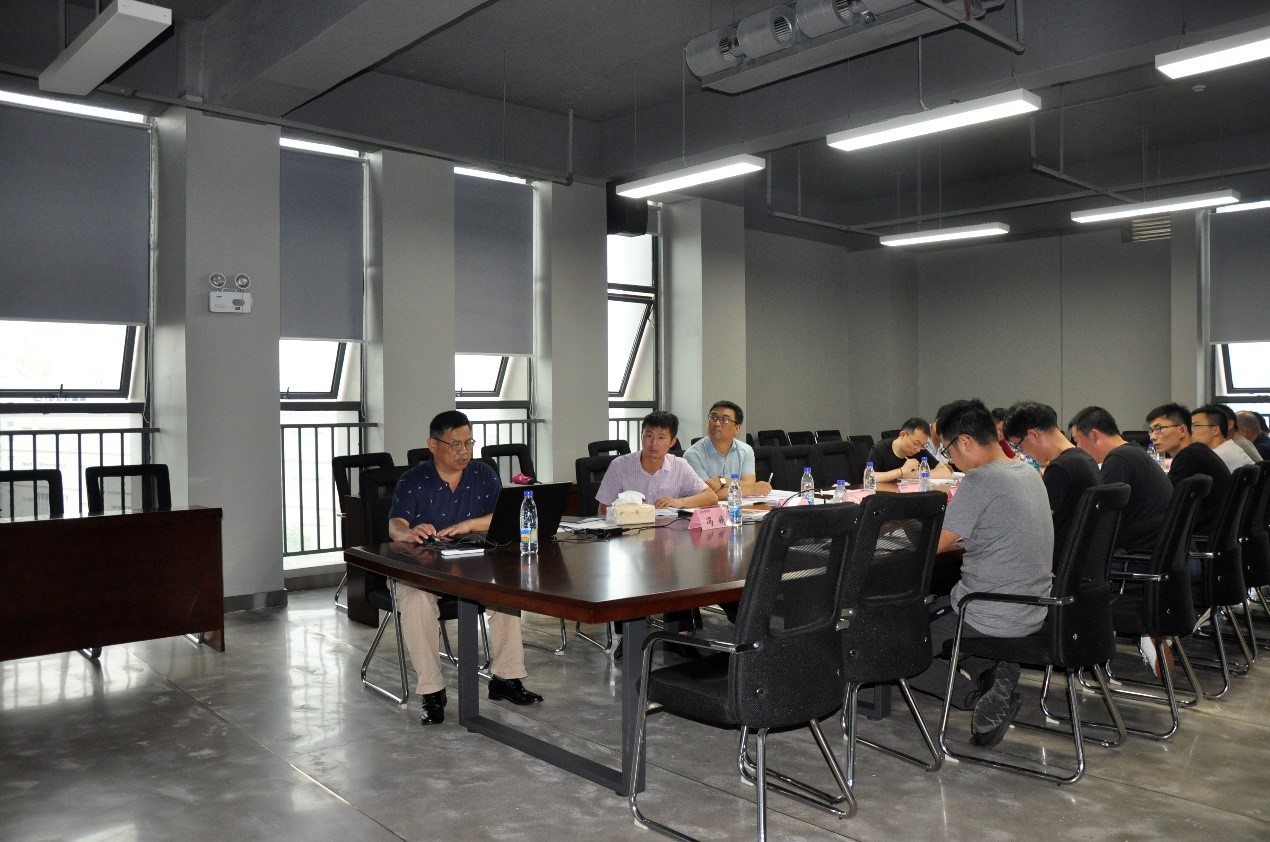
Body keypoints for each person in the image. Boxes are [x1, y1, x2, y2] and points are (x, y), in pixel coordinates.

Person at [908, 399, 1053, 749]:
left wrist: (904, 528)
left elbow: (935, 545)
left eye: (948, 451)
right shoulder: (1027, 471)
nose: (950, 460)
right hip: (1034, 607)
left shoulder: (981, 480)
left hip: (986, 610)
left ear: (966, 442)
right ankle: (994, 672)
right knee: (937, 612)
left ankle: (979, 699)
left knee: (900, 648)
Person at [387, 410, 542, 726]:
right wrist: (408, 532)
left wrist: (469, 524)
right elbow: (395, 524)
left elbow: (503, 515)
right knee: (415, 601)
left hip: (475, 564)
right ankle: (432, 692)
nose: (464, 451)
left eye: (469, 443)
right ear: (433, 445)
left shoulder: (483, 474)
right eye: (455, 444)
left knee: (506, 593)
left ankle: (506, 678)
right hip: (425, 568)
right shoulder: (413, 480)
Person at [1003, 401, 1103, 565]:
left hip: (1059, 563)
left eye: (1019, 446)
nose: (1024, 453)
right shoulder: (1083, 459)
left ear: (1033, 435)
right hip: (1083, 561)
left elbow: (1033, 523)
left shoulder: (1060, 469)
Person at [1068, 406, 1173, 555]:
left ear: (1094, 435)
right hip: (1159, 552)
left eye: (1077, 441)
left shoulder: (1119, 460)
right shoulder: (1133, 452)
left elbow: (1100, 516)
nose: (1077, 448)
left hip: (1140, 555)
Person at [596, 410, 717, 514]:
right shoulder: (619, 466)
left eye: (661, 437)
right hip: (628, 530)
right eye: (649, 436)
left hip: (668, 531)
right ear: (641, 435)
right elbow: (603, 508)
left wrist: (679, 502)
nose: (654, 443)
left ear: (672, 442)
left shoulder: (680, 466)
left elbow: (711, 497)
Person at [1145, 403, 1231, 536]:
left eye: (1159, 428)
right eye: (1151, 430)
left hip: (1202, 535)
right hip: (1214, 532)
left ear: (1182, 430)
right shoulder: (1197, 452)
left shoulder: (1189, 457)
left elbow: (1165, 501)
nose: (1153, 437)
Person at [683, 400, 773, 499]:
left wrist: (722, 481)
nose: (717, 423)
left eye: (724, 419)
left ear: (737, 429)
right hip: (708, 507)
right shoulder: (693, 455)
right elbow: (706, 493)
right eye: (713, 417)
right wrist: (750, 490)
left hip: (740, 505)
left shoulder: (746, 450)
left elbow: (749, 483)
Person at [866, 418, 954, 483]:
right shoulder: (879, 449)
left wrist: (913, 475)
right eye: (915, 443)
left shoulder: (920, 451)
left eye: (922, 445)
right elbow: (869, 478)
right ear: (903, 435)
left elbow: (946, 472)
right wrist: (901, 471)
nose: (918, 449)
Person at [1191, 404, 1254, 472]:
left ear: (1215, 430)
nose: (1191, 431)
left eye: (1196, 426)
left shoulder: (1218, 455)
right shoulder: (1229, 447)